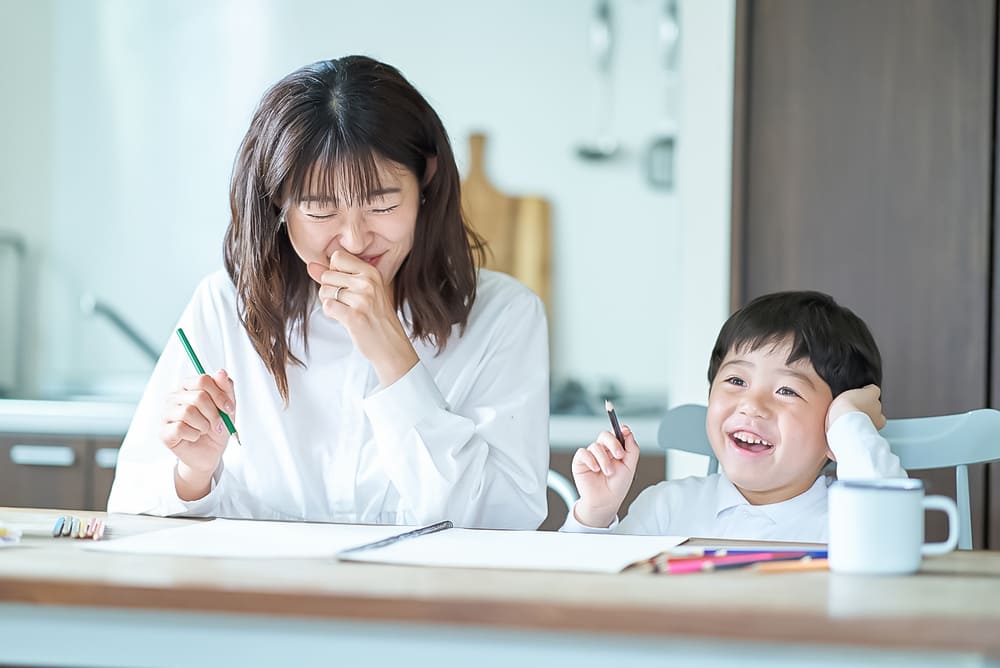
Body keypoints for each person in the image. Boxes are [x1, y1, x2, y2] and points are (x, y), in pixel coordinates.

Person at [107, 56, 549, 529]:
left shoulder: (504, 316)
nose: (356, 241)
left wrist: (393, 357)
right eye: (320, 211)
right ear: (279, 201)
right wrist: (192, 473)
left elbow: (506, 525)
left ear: (426, 179)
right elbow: (131, 514)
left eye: (382, 203)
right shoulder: (225, 306)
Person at [562, 291, 906, 541]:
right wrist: (596, 512)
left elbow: (892, 543)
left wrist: (849, 421)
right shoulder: (667, 508)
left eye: (787, 390)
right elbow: (581, 598)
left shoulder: (848, 520)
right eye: (736, 381)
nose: (751, 405)